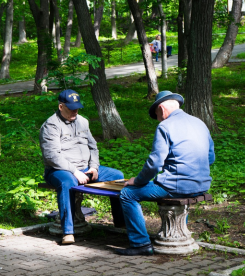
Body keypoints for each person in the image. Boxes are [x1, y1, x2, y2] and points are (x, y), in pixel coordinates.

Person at [115, 91, 215, 256]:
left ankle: (140, 244)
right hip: (202, 185)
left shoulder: (165, 126)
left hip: (176, 186)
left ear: (161, 108)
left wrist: (138, 181)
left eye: (157, 116)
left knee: (127, 193)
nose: (159, 120)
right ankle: (178, 234)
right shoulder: (199, 123)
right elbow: (210, 157)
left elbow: (154, 164)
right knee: (161, 186)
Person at [39, 89, 125, 244]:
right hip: (59, 170)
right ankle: (68, 232)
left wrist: (94, 167)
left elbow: (93, 147)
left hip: (86, 168)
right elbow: (51, 156)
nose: (75, 111)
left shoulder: (83, 121)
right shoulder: (50, 125)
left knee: (117, 176)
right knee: (66, 183)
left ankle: (121, 224)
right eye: (71, 108)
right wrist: (74, 171)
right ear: (61, 107)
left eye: (77, 107)